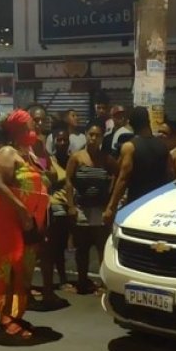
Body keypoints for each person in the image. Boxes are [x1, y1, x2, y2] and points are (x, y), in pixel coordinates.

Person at [0, 110, 49, 341]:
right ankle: (5, 319)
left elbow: (49, 175)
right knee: (10, 265)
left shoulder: (28, 154)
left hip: (25, 219)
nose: (34, 129)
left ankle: (14, 313)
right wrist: (22, 210)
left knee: (23, 266)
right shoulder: (7, 153)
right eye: (30, 126)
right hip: (6, 216)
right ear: (16, 130)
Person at [66, 122, 116, 295]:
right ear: (86, 135)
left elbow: (118, 175)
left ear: (102, 137)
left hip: (100, 208)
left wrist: (111, 202)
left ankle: (103, 284)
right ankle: (82, 282)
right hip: (82, 208)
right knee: (82, 248)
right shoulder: (77, 157)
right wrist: (71, 206)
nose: (94, 138)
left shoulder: (106, 159)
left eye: (97, 135)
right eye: (91, 134)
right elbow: (68, 181)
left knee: (102, 247)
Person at [103, 106, 173, 226]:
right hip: (158, 204)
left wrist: (111, 207)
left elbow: (123, 179)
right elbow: (170, 174)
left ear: (132, 124)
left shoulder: (129, 147)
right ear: (148, 121)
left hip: (136, 204)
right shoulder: (163, 145)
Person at [40, 125, 73, 300]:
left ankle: (62, 278)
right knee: (53, 246)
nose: (62, 143)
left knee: (64, 245)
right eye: (59, 140)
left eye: (65, 140)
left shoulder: (72, 159)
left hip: (70, 206)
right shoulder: (49, 161)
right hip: (54, 206)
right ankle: (56, 281)